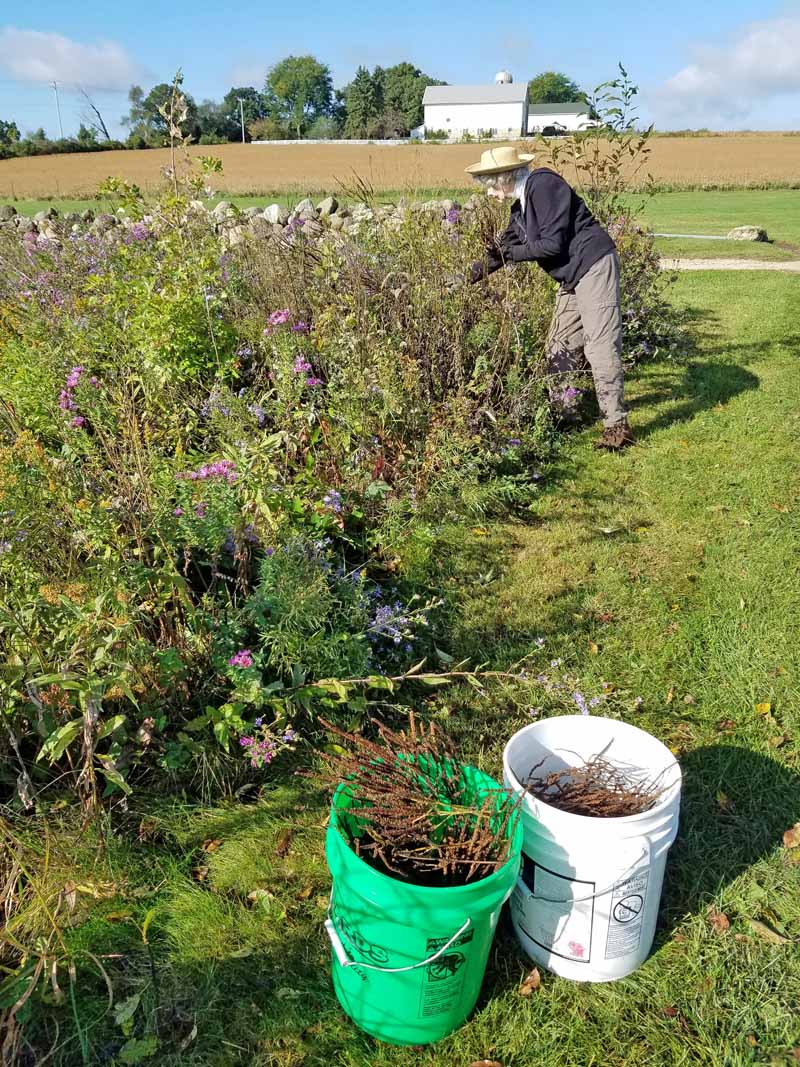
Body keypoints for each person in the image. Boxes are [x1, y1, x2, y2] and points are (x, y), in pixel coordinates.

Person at [465, 145, 634, 451]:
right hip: (571, 276)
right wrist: (468, 277)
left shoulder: (545, 185)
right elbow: (503, 251)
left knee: (599, 345)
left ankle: (617, 427)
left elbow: (552, 245)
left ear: (504, 178)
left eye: (490, 187)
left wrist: (512, 254)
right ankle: (565, 413)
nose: (490, 194)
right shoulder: (520, 209)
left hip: (593, 264)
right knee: (560, 345)